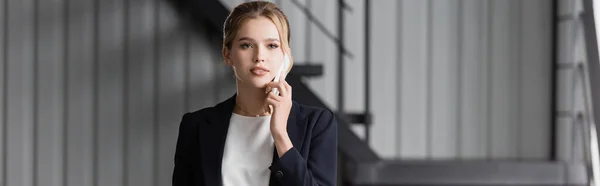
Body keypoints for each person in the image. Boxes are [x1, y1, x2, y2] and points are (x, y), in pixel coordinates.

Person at [172, 1, 338, 186]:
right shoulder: (196, 126)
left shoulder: (317, 124)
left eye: (272, 45)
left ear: (285, 56)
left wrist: (280, 135)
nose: (259, 56)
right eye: (246, 45)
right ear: (228, 54)